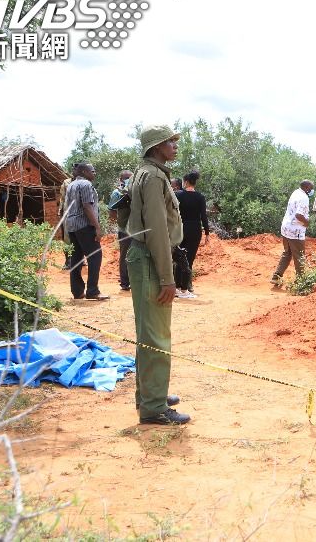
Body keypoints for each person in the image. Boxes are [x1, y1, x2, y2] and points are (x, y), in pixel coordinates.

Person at [127, 125, 188, 425]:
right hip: (151, 259)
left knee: (149, 333)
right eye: (170, 142)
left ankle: (151, 395)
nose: (175, 146)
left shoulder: (149, 173)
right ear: (156, 146)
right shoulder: (152, 177)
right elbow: (157, 230)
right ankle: (153, 407)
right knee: (156, 335)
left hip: (146, 258)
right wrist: (167, 276)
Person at [65, 162, 109, 301]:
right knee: (95, 255)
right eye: (93, 171)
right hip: (84, 225)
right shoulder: (86, 185)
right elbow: (87, 207)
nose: (94, 173)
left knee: (76, 258)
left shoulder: (70, 185)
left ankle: (77, 292)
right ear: (84, 172)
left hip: (72, 226)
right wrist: (97, 227)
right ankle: (93, 291)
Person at [272, 180, 314, 284]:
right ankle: (301, 282)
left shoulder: (295, 192)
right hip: (295, 231)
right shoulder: (304, 197)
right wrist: (307, 222)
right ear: (307, 187)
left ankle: (276, 277)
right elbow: (299, 215)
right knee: (299, 256)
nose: (312, 190)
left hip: (286, 229)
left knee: (287, 253)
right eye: (311, 188)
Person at [175, 171, 209, 298]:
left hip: (180, 229)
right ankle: (184, 290)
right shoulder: (200, 197)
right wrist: (207, 233)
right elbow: (203, 216)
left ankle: (177, 288)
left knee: (178, 258)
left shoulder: (177, 195)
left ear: (186, 181)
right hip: (195, 230)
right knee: (189, 259)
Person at [57, 165, 80, 270]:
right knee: (67, 238)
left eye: (77, 170)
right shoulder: (66, 182)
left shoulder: (84, 183)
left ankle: (79, 260)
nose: (74, 171)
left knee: (80, 237)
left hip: (80, 215)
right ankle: (68, 261)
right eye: (74, 170)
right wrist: (60, 212)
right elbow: (62, 198)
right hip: (68, 214)